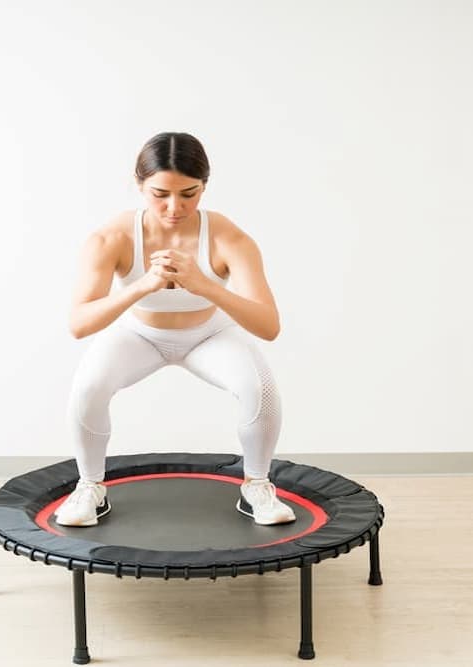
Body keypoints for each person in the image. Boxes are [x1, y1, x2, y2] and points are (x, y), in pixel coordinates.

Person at [54, 131, 295, 528]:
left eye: (189, 194)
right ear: (139, 185)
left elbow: (269, 326)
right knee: (87, 387)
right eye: (159, 194)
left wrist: (203, 284)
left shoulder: (228, 237)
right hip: (139, 335)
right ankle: (89, 488)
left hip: (209, 335)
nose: (173, 207)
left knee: (261, 389)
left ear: (205, 186)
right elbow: (79, 325)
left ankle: (257, 485)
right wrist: (144, 285)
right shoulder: (111, 238)